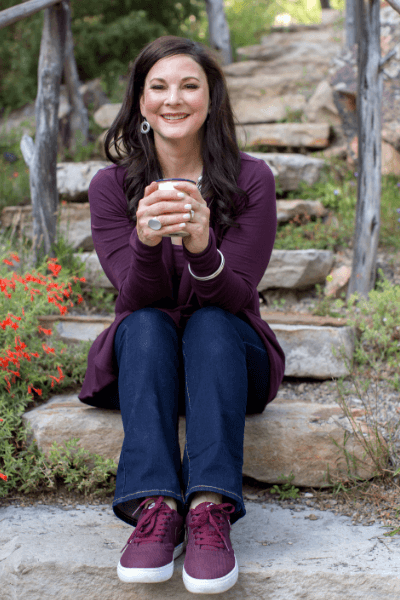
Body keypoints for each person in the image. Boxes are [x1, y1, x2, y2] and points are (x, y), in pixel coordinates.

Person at [78, 35, 285, 594]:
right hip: (150, 354)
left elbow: (237, 294)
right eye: (159, 87)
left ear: (211, 99)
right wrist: (146, 242)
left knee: (213, 322)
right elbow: (132, 298)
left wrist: (202, 247)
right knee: (145, 324)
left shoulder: (251, 179)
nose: (174, 99)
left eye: (190, 85)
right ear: (140, 104)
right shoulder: (110, 187)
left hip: (230, 353)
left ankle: (211, 507)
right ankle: (156, 505)